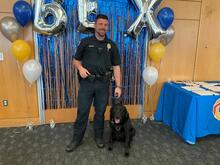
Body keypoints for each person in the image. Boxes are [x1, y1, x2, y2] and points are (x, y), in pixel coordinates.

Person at [65, 14, 122, 152]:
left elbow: (116, 67)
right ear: (95, 26)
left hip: (103, 84)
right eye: (101, 24)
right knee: (83, 111)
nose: (103, 27)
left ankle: (99, 137)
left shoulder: (112, 45)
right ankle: (76, 139)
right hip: (87, 83)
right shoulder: (85, 42)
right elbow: (76, 60)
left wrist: (118, 86)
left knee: (100, 112)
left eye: (106, 25)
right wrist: (80, 68)